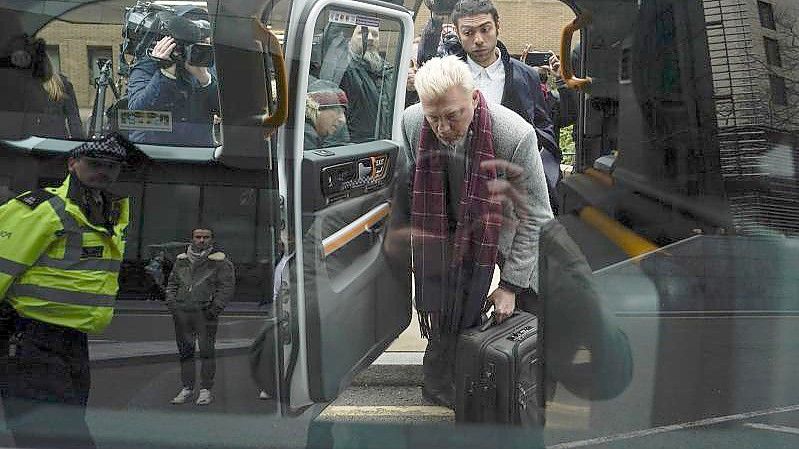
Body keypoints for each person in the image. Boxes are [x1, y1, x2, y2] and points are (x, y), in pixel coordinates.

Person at [391, 55, 554, 408]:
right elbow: (407, 186)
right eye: (434, 118)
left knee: (520, 313)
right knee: (445, 308)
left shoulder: (514, 133)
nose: (443, 128)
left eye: (454, 115)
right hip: (447, 233)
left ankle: (516, 392)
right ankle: (439, 385)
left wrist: (511, 285)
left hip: (506, 231)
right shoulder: (411, 121)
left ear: (476, 98)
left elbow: (537, 216)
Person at [0, 133, 146, 449]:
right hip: (30, 340)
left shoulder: (110, 214)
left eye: (112, 166)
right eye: (94, 163)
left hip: (72, 343)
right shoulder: (41, 208)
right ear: (72, 163)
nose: (103, 171)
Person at [419, 0, 562, 213]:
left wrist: (545, 174)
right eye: (468, 33)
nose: (478, 40)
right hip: (460, 186)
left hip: (513, 190)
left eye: (485, 30)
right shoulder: (448, 76)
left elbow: (544, 130)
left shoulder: (526, 76)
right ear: (458, 34)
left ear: (497, 26)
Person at [126, 11, 219, 146]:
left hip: (198, 152)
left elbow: (225, 111)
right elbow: (137, 113)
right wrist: (166, 72)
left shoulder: (204, 61)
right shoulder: (148, 64)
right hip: (155, 151)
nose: (199, 48)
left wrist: (205, 79)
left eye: (205, 43)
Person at [166, 227, 235, 406]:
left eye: (206, 237)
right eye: (198, 237)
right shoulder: (182, 260)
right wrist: (173, 304)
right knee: (185, 352)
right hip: (182, 312)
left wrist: (214, 309)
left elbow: (226, 288)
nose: (202, 240)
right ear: (192, 239)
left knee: (206, 352)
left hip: (205, 312)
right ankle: (187, 388)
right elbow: (172, 283)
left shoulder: (220, 261)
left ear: (212, 239)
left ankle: (205, 390)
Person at [337, 25, 395, 143]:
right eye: (362, 33)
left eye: (375, 34)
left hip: (385, 145)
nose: (369, 38)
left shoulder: (389, 72)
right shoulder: (344, 69)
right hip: (357, 147)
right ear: (350, 39)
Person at [23, 55, 83, 139]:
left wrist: (80, 145)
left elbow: (74, 120)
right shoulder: (22, 86)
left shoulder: (62, 84)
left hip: (54, 143)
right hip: (39, 143)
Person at [304, 79, 349, 150]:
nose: (343, 120)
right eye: (338, 111)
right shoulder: (305, 139)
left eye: (343, 113)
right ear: (316, 109)